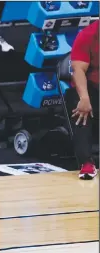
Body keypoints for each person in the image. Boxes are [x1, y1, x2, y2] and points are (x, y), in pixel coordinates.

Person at [66, 20, 99, 180]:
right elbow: (78, 70)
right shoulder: (87, 35)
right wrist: (84, 98)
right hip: (92, 88)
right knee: (80, 105)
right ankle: (86, 163)